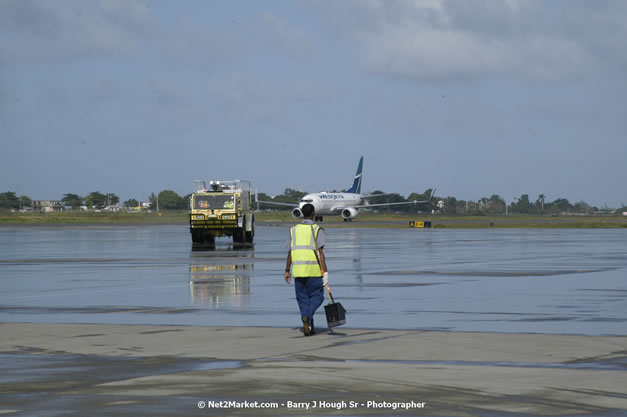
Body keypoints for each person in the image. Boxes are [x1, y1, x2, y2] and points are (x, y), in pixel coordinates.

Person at [284, 203, 329, 336]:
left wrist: (287, 270)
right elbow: (320, 253)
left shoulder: (293, 230)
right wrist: (325, 272)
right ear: (313, 213)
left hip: (298, 271)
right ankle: (307, 316)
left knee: (303, 299)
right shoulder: (317, 229)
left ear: (302, 213)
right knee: (318, 297)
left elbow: (290, 252)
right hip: (314, 271)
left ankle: (308, 327)